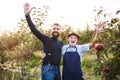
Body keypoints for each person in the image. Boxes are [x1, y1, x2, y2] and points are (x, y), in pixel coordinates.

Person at [23, 3, 63, 80]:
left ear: (60, 30)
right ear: (51, 30)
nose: (56, 30)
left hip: (57, 70)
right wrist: (27, 16)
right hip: (48, 69)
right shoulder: (46, 39)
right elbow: (34, 30)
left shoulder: (61, 43)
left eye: (57, 29)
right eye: (54, 28)